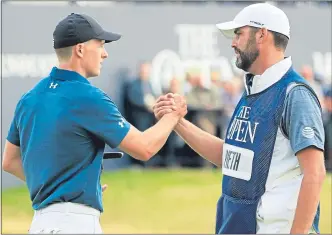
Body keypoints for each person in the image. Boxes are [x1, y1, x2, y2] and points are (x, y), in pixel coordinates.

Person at [2, 13, 186, 234]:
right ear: (80, 49)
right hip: (75, 224)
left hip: (39, 224)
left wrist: (61, 188)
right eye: (100, 45)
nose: (105, 54)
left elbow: (10, 161)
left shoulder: (29, 98)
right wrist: (173, 116)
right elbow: (144, 148)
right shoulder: (88, 96)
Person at [153, 3, 326, 234]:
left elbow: (315, 172)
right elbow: (229, 156)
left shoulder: (294, 94)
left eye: (239, 34)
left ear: (262, 34)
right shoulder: (253, 88)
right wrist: (177, 122)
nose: (233, 43)